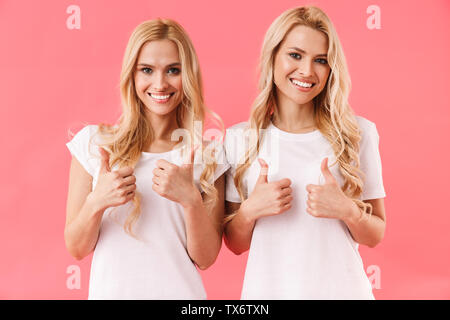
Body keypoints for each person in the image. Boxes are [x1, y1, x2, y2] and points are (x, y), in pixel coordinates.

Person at [223, 6, 386, 299]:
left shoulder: (357, 133)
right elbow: (235, 244)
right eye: (295, 55)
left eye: (320, 60)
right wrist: (250, 211)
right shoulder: (239, 139)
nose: (307, 71)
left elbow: (376, 233)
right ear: (272, 57)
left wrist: (348, 210)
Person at [64, 18, 229, 299]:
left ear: (187, 75)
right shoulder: (95, 144)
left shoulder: (207, 154)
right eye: (147, 70)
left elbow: (206, 258)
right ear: (133, 75)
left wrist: (190, 200)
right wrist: (97, 201)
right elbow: (77, 248)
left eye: (173, 70)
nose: (160, 83)